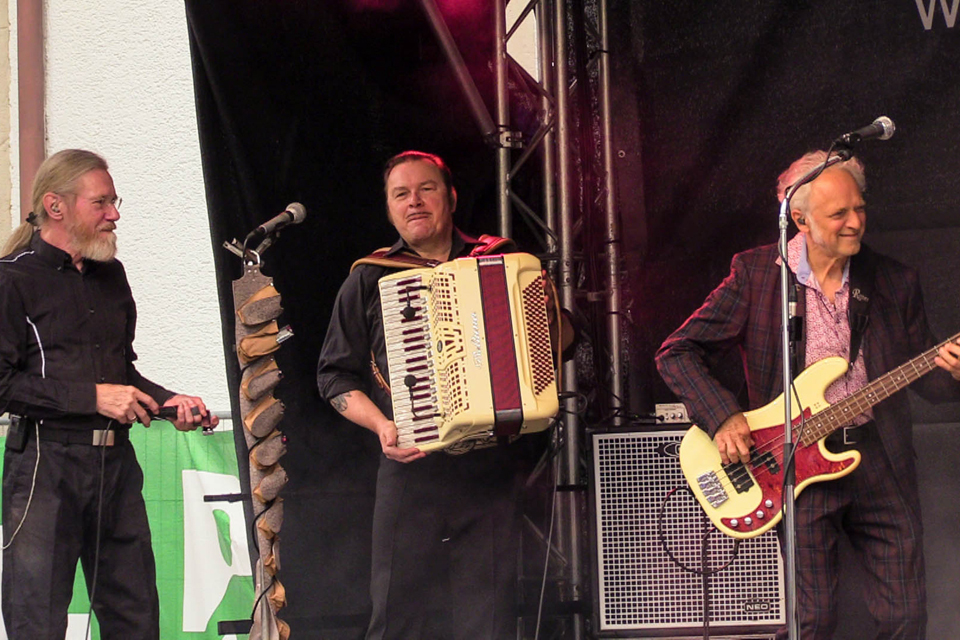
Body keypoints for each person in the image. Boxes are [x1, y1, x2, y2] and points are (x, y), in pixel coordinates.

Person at [655, 150, 960, 639]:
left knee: (905, 616)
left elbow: (929, 381)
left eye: (860, 208)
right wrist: (724, 417)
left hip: (879, 459)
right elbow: (678, 351)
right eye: (839, 213)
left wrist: (953, 373)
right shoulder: (757, 275)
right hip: (791, 462)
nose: (856, 222)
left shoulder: (893, 281)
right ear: (799, 218)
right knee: (811, 621)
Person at [317, 150, 573, 639]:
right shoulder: (370, 276)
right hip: (410, 464)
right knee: (397, 616)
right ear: (390, 208)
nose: (414, 202)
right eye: (401, 194)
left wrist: (541, 314)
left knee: (490, 619)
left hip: (490, 471)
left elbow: (562, 345)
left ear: (450, 197)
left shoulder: (499, 259)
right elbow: (333, 377)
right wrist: (381, 426)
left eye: (426, 189)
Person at [0, 149, 219, 639]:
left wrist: (169, 404)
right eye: (101, 203)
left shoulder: (110, 276)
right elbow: (3, 386)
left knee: (136, 619)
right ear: (56, 206)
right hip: (43, 467)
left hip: (115, 468)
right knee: (37, 622)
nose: (114, 214)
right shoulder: (11, 279)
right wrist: (93, 399)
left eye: (114, 201)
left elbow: (124, 376)